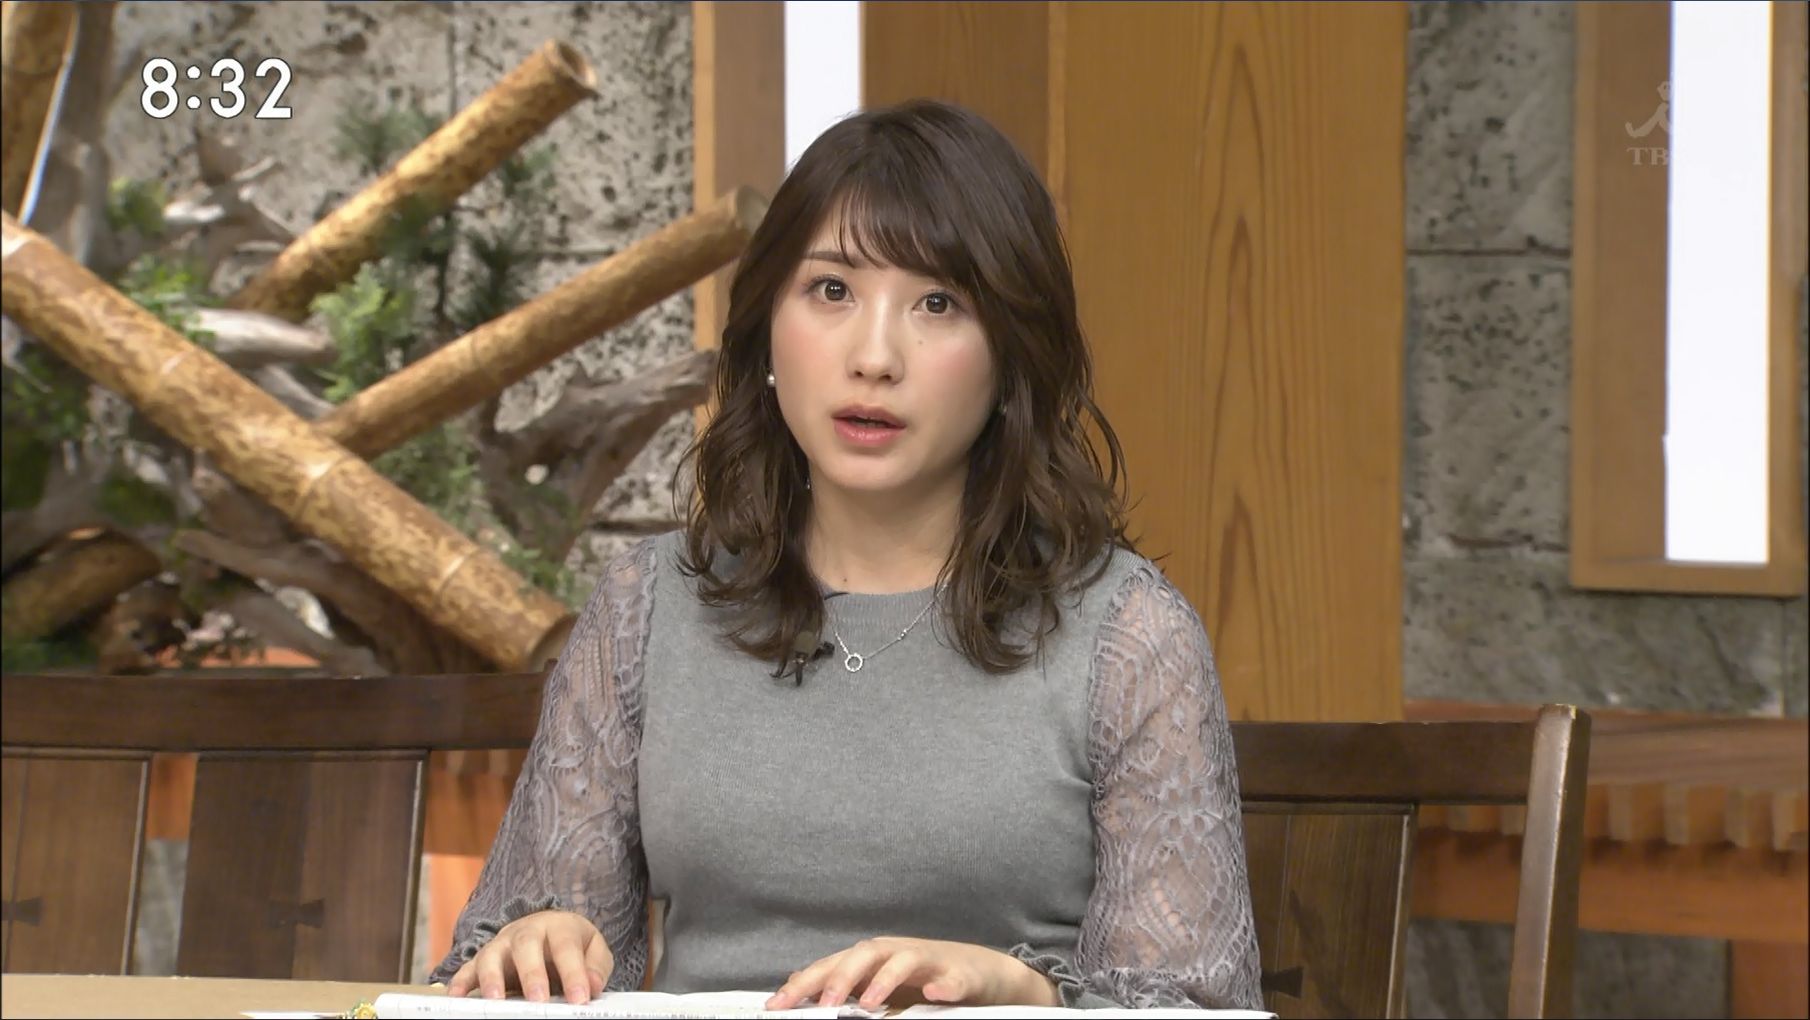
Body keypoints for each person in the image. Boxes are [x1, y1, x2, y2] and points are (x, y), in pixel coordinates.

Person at [432, 98, 1264, 1013]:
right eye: (831, 291)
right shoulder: (648, 604)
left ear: (1011, 358)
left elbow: (1193, 1006)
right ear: (767, 328)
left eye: (939, 303)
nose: (874, 357)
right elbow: (505, 965)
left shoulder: (1129, 633)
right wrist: (534, 945)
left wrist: (1022, 994)